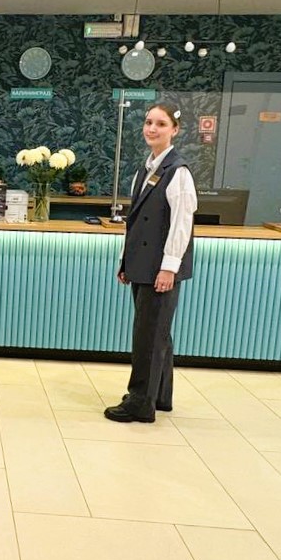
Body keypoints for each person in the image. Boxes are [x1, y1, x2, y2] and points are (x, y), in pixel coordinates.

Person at [104, 103, 197, 423]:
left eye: (160, 124)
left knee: (148, 336)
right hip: (142, 264)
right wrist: (125, 261)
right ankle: (159, 396)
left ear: (175, 130)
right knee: (158, 333)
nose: (152, 129)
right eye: (148, 122)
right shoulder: (145, 169)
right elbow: (136, 222)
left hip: (160, 268)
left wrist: (169, 267)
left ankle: (140, 403)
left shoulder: (178, 171)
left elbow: (182, 224)